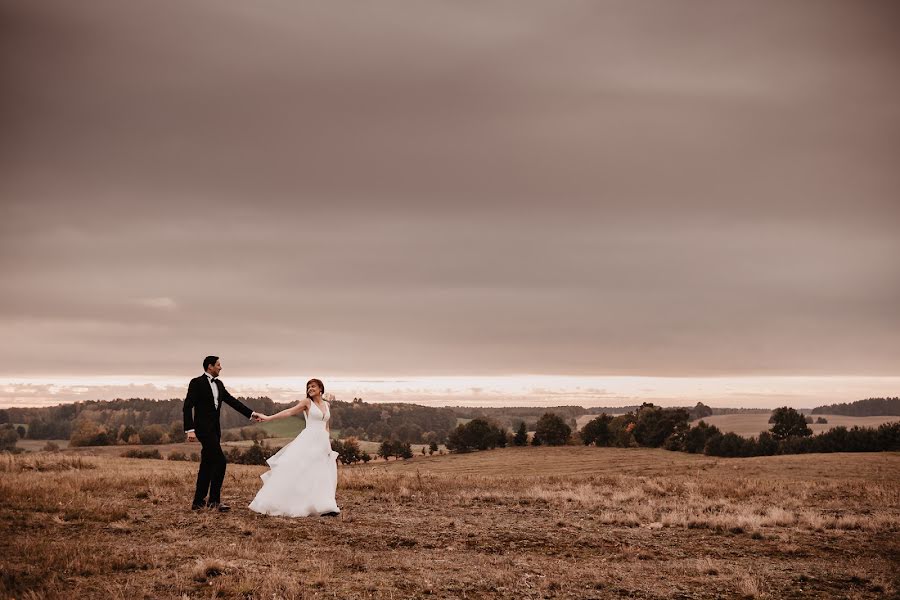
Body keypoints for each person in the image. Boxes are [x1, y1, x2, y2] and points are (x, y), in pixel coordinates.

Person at [248, 378, 340, 517]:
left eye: (313, 386)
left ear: (321, 388)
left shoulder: (327, 404)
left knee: (321, 473)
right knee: (300, 471)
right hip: (308, 439)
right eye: (308, 387)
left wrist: (327, 445)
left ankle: (325, 506)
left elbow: (326, 426)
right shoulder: (307, 403)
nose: (310, 388)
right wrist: (268, 418)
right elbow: (289, 412)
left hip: (322, 442)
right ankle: (288, 502)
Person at [183, 355, 262, 512]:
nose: (221, 367)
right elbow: (187, 406)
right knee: (220, 462)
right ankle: (214, 501)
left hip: (215, 430)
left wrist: (251, 414)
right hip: (203, 430)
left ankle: (198, 502)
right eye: (218, 365)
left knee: (207, 464)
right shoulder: (196, 383)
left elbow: (232, 401)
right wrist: (190, 430)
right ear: (210, 366)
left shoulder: (219, 384)